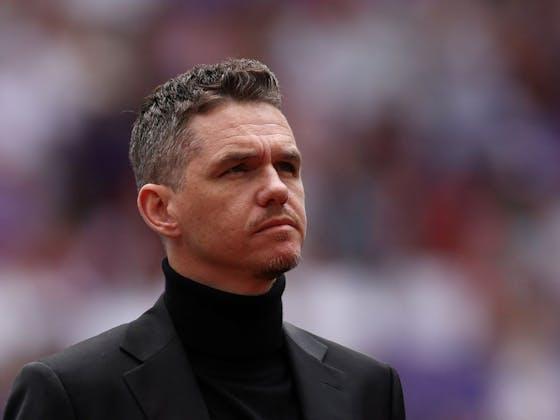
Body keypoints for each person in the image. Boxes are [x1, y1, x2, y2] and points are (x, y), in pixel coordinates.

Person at [4, 59, 405, 419]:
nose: (276, 189)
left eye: (287, 166)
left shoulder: (367, 389)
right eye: (237, 169)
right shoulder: (74, 395)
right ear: (160, 209)